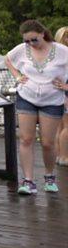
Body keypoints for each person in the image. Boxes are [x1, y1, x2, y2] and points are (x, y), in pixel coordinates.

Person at [5, 19, 67, 195]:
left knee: (47, 143)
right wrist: (17, 76)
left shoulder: (62, 51)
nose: (31, 43)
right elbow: (8, 59)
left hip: (52, 100)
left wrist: (66, 86)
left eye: (34, 40)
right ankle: (28, 181)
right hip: (27, 97)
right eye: (27, 41)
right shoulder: (22, 50)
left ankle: (49, 177)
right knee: (26, 139)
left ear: (42, 34)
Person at [56, 26, 68, 167]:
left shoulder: (56, 54)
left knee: (59, 127)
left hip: (57, 95)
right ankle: (65, 157)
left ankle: (59, 155)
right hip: (65, 95)